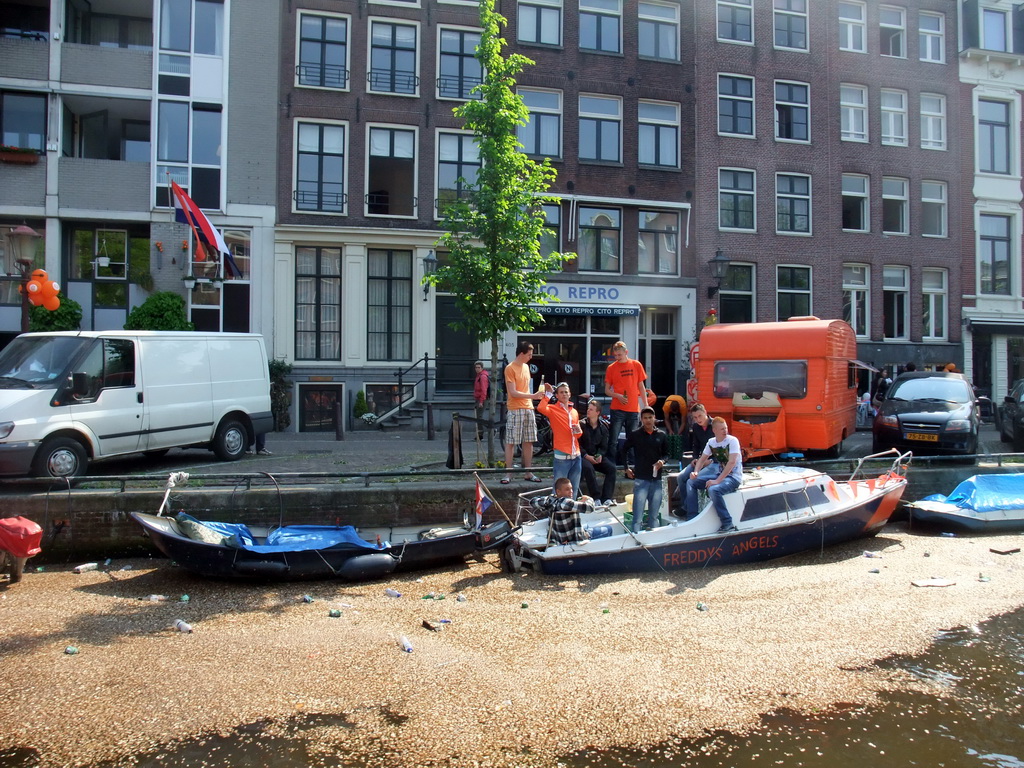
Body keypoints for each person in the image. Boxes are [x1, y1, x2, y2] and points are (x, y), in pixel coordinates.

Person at [683, 417, 742, 533]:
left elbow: (731, 463)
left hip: (733, 478)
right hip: (720, 476)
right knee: (691, 482)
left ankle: (727, 522)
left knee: (714, 490)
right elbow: (701, 459)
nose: (725, 431)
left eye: (725, 428)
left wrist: (717, 481)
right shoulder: (711, 442)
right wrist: (696, 472)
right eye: (721, 429)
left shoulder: (732, 441)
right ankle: (692, 517)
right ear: (714, 430)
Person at [502, 341, 547, 484]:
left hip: (528, 408)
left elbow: (525, 389)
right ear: (521, 354)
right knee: (511, 442)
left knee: (529, 441)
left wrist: (537, 394)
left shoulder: (526, 367)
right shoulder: (510, 368)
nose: (530, 357)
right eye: (529, 354)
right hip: (515, 408)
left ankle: (528, 472)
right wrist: (533, 396)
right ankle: (508, 473)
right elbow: (513, 392)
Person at [622, 406, 669, 533]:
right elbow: (623, 450)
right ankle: (635, 536)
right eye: (645, 418)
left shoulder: (661, 435)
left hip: (656, 478)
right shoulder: (635, 435)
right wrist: (626, 468)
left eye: (650, 417)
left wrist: (662, 461)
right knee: (638, 515)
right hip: (641, 478)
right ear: (641, 419)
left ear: (654, 418)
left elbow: (667, 454)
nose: (648, 420)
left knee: (654, 514)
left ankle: (655, 539)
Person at [604, 341, 648, 464]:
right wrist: (617, 395)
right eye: (616, 355)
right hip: (617, 408)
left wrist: (646, 405)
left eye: (620, 355)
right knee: (613, 438)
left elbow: (641, 387)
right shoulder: (611, 368)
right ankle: (611, 465)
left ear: (626, 352)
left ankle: (632, 465)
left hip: (633, 408)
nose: (617, 357)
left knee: (632, 439)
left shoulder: (636, 365)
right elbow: (607, 390)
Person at [537, 382, 583, 498]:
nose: (564, 394)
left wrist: (578, 431)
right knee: (558, 491)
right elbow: (541, 408)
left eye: (566, 392)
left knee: (574, 490)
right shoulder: (553, 409)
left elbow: (578, 434)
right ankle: (555, 514)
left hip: (576, 456)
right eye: (561, 392)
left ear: (570, 394)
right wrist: (548, 394)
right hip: (562, 457)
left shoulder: (574, 412)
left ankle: (571, 513)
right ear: (556, 395)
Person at [671, 403, 715, 517]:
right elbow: (695, 444)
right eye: (695, 417)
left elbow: (723, 446)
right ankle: (685, 506)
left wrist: (710, 461)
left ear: (705, 413)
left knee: (692, 480)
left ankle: (686, 508)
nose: (698, 419)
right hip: (701, 460)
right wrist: (695, 458)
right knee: (681, 477)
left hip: (714, 462)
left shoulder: (715, 425)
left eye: (700, 416)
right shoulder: (695, 427)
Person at [530, 477, 593, 545]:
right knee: (604, 529)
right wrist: (588, 499)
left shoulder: (551, 500)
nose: (571, 491)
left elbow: (532, 501)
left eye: (571, 488)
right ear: (558, 491)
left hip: (557, 540)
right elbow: (590, 508)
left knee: (587, 528)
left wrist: (548, 499)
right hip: (575, 541)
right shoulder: (566, 503)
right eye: (567, 489)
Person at [579, 398, 617, 505]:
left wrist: (599, 455)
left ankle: (607, 498)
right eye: (588, 409)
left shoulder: (603, 427)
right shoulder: (581, 425)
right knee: (588, 468)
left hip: (596, 456)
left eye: (591, 409)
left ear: (598, 412)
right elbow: (578, 444)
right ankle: (596, 498)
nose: (588, 411)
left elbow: (604, 446)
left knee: (612, 469)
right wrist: (586, 456)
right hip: (583, 457)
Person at [473, 361, 490, 439]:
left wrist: (481, 401)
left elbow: (484, 390)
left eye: (479, 367)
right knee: (478, 417)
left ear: (482, 368)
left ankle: (489, 429)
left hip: (482, 399)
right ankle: (480, 434)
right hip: (479, 398)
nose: (477, 369)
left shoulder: (482, 377)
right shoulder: (479, 376)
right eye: (476, 367)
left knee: (479, 417)